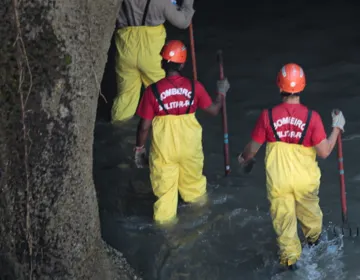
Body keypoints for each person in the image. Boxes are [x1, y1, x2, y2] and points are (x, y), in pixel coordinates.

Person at [237, 63, 346, 271]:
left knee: (285, 226)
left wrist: (243, 157)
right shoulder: (311, 117)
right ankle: (314, 246)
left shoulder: (267, 116)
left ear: (280, 87)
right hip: (305, 181)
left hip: (279, 181)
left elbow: (252, 150)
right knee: (312, 219)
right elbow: (324, 152)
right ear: (302, 87)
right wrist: (337, 128)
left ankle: (292, 266)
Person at [133, 40, 230, 226]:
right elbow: (214, 110)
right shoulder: (195, 87)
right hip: (190, 146)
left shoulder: (152, 91)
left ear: (162, 63)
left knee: (165, 197)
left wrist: (139, 149)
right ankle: (204, 221)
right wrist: (221, 92)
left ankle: (166, 231)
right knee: (195, 189)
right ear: (183, 64)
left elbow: (144, 126)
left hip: (164, 150)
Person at [112, 0, 196, 123]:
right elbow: (183, 22)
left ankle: (119, 127)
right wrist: (187, 3)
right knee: (161, 95)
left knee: (125, 96)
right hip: (152, 55)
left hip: (126, 50)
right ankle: (163, 128)